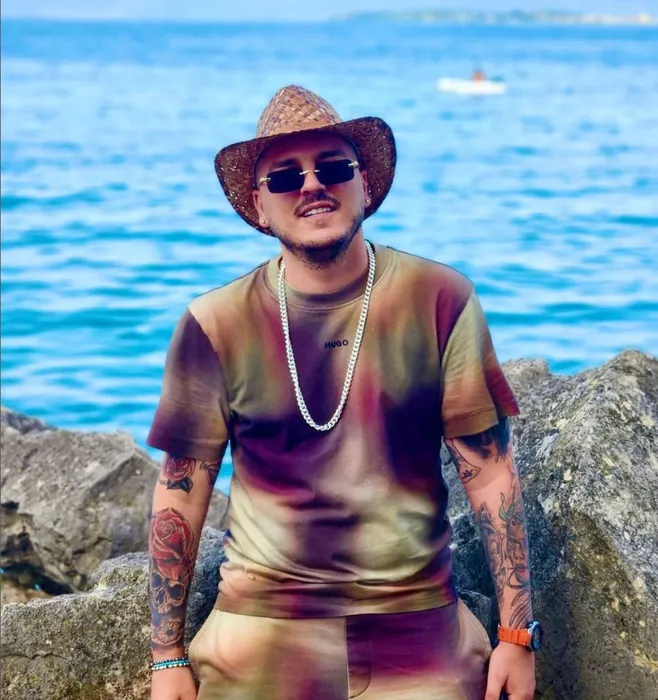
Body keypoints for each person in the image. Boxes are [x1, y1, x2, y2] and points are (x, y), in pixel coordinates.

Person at [147, 85, 540, 700]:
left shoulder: (441, 300)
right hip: (260, 630)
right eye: (285, 177)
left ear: (364, 183)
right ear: (260, 206)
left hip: (417, 625)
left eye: (332, 167)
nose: (312, 185)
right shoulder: (214, 323)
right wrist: (166, 655)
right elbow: (182, 489)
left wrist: (517, 636)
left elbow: (488, 472)